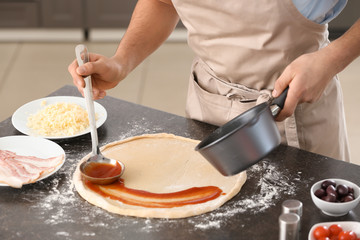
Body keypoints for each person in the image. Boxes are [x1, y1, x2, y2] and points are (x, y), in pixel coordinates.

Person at [68, 0, 360, 162]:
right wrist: (122, 62)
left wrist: (331, 59)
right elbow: (162, 2)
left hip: (294, 112)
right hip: (208, 111)